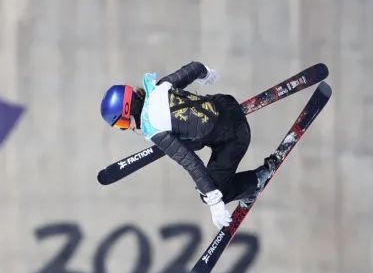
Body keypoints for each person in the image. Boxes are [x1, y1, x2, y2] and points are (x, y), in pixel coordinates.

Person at [99, 61, 278, 229]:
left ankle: (255, 182)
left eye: (122, 125)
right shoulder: (160, 87)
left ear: (128, 110)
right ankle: (185, 136)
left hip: (234, 139)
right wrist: (206, 74)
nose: (127, 129)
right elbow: (194, 68)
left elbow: (191, 163)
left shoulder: (155, 131)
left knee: (212, 190)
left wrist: (214, 200)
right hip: (226, 104)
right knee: (189, 131)